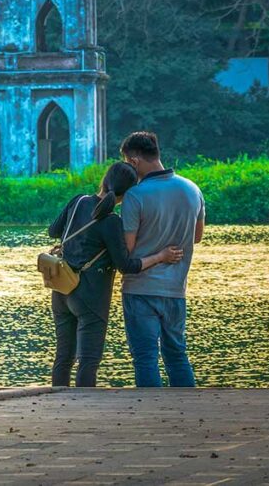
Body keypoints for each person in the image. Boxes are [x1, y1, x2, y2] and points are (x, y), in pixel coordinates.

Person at [48, 162, 183, 387]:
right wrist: (161, 256)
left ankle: (57, 408)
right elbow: (127, 265)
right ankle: (84, 410)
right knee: (88, 361)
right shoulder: (111, 222)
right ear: (128, 193)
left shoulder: (78, 201)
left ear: (105, 179)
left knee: (63, 357)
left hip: (62, 289)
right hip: (90, 296)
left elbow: (53, 231)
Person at [119, 131, 205, 387]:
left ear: (134, 161)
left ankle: (150, 413)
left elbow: (128, 249)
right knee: (177, 354)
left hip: (140, 289)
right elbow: (197, 237)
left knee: (145, 357)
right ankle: (189, 412)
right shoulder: (192, 189)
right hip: (176, 289)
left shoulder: (135, 196)